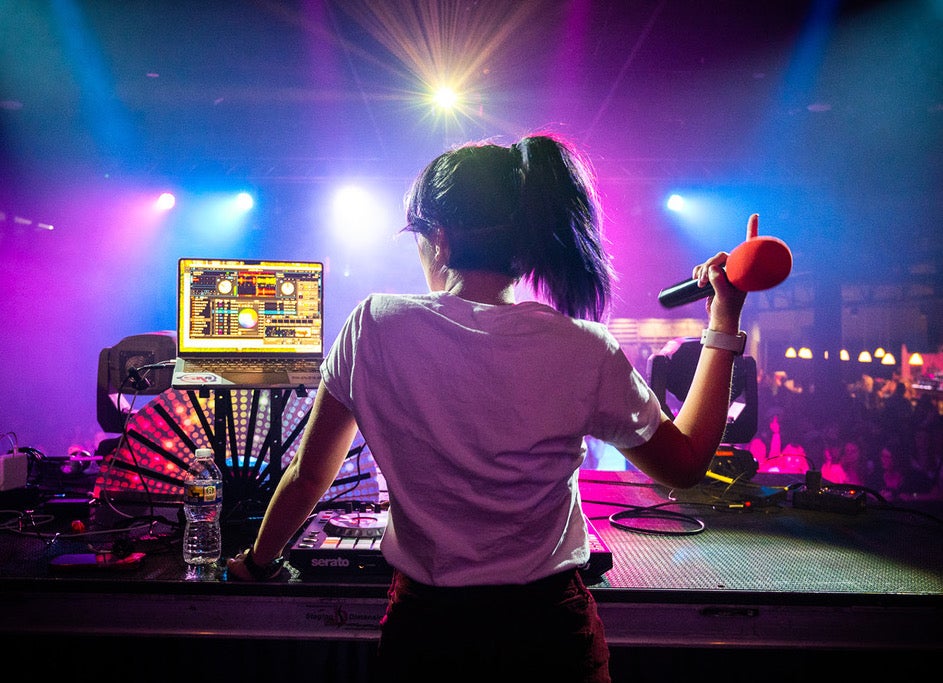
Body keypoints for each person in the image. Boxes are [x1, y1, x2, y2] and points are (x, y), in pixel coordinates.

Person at [226, 133, 749, 682]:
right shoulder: (584, 346)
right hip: (548, 634)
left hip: (429, 634)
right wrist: (723, 320)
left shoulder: (374, 325)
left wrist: (258, 563)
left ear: (440, 240)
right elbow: (687, 463)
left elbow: (308, 477)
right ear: (523, 246)